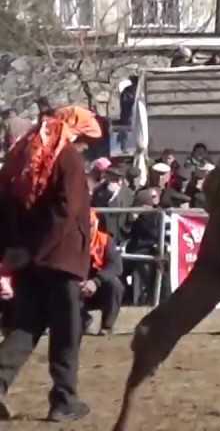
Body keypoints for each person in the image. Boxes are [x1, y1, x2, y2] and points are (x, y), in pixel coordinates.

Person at [0, 105, 102, 421]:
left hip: (31, 260)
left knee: (24, 328)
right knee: (66, 333)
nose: (85, 147)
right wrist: (41, 250)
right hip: (60, 259)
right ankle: (64, 401)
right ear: (77, 131)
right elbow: (67, 210)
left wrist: (20, 251)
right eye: (85, 139)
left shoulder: (23, 154)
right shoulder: (67, 156)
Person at [80, 210, 124, 336]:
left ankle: (107, 326)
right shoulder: (71, 242)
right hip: (77, 285)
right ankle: (83, 320)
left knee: (115, 285)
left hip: (99, 286)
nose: (88, 229)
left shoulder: (105, 240)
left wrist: (96, 281)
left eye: (91, 225)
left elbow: (117, 266)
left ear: (96, 224)